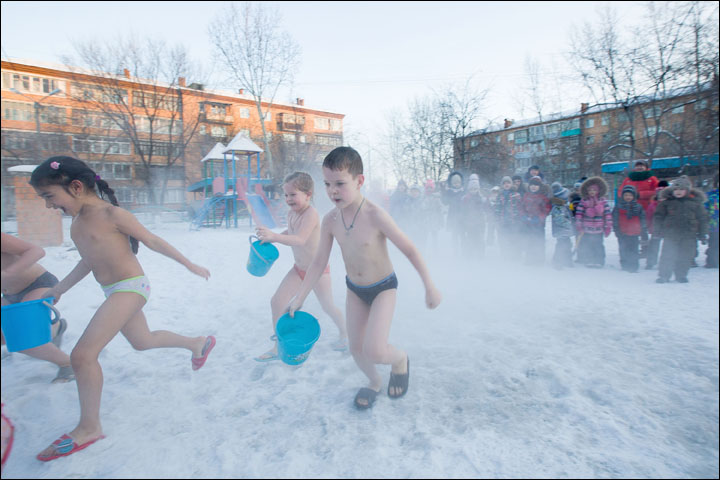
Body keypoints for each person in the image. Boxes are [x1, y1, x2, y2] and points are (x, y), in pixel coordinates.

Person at [29, 156, 213, 462]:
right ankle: (198, 343)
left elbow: (152, 240)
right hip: (114, 291)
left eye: (49, 197)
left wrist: (189, 264)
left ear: (75, 187)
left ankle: (89, 427)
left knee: (82, 356)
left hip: (131, 288)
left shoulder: (112, 214)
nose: (49, 205)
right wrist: (59, 288)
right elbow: (87, 261)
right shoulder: (76, 226)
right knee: (143, 341)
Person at [287, 147, 442, 410]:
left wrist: (430, 286)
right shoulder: (330, 220)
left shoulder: (375, 215)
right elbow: (318, 261)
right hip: (355, 290)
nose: (332, 191)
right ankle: (374, 382)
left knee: (375, 350)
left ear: (359, 181)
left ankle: (400, 359)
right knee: (356, 349)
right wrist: (300, 296)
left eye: (340, 184)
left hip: (383, 288)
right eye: (327, 184)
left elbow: (410, 249)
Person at [254, 172, 347, 361]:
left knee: (328, 306)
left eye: (293, 194)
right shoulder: (291, 214)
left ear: (308, 195)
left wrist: (274, 236)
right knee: (277, 302)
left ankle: (345, 333)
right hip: (299, 269)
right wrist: (272, 239)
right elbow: (291, 231)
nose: (288, 199)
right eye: (286, 195)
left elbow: (300, 238)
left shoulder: (311, 214)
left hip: (318, 271)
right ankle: (279, 345)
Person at [1, 232, 74, 383]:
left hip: (38, 284)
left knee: (23, 340)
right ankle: (55, 328)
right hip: (10, 295)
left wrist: (8, 273)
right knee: (6, 336)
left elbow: (36, 251)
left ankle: (69, 364)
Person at [653, 176, 709, 283]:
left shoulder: (695, 203)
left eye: (681, 189)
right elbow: (658, 217)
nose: (678, 192)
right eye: (676, 189)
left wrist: (703, 233)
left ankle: (681, 274)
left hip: (689, 234)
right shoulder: (666, 203)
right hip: (670, 234)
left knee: (685, 256)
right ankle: (664, 275)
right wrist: (657, 230)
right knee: (668, 255)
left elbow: (703, 219)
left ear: (687, 190)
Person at [575, 176, 612, 267]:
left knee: (598, 245)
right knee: (588, 245)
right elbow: (579, 214)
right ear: (587, 191)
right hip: (587, 228)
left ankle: (599, 260)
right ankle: (589, 259)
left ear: (598, 191)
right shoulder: (584, 202)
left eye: (594, 190)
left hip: (599, 229)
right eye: (590, 190)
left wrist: (608, 226)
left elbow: (607, 214)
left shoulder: (603, 202)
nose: (592, 192)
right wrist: (579, 225)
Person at [612, 185, 648, 273]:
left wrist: (643, 229)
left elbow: (642, 218)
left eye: (630, 195)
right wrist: (616, 230)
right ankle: (625, 265)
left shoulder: (638, 207)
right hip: (622, 232)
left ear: (634, 196)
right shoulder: (618, 206)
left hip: (634, 233)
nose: (628, 197)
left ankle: (634, 265)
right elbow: (615, 218)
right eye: (626, 195)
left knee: (634, 249)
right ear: (623, 196)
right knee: (623, 249)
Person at [519, 176, 551, 265]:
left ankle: (539, 259)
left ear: (539, 187)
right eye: (532, 185)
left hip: (539, 225)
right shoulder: (526, 196)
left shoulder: (543, 197)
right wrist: (523, 216)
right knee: (529, 241)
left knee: (539, 241)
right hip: (528, 223)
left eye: (536, 185)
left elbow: (547, 210)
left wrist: (539, 217)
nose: (534, 187)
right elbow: (521, 207)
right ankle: (529, 259)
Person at [494, 176, 522, 260]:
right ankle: (504, 256)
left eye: (508, 183)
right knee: (503, 239)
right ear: (502, 185)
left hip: (513, 221)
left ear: (511, 184)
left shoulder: (516, 195)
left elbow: (520, 207)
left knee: (514, 239)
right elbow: (497, 209)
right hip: (503, 222)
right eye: (504, 183)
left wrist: (519, 219)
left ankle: (515, 256)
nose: (506, 185)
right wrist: (497, 220)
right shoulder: (500, 195)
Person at [549, 182, 574, 269]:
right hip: (560, 230)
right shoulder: (558, 207)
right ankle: (557, 260)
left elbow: (570, 212)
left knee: (567, 244)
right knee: (561, 245)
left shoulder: (565, 205)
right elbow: (559, 219)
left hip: (566, 230)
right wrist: (569, 224)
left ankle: (567, 260)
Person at [645, 180, 669, 269]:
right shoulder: (653, 205)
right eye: (660, 195)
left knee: (668, 246)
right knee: (654, 245)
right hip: (656, 228)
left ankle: (667, 261)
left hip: (668, 228)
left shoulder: (671, 204)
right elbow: (648, 216)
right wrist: (648, 226)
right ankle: (650, 262)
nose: (662, 197)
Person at [460, 177, 486, 259]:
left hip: (479, 223)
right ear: (469, 189)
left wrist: (483, 221)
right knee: (470, 240)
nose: (473, 190)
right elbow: (463, 211)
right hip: (469, 223)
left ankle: (480, 255)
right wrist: (463, 222)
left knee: (480, 239)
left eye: (475, 189)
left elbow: (484, 211)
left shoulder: (482, 198)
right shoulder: (466, 198)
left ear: (478, 189)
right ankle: (469, 255)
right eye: (471, 189)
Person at [441, 171, 465, 254]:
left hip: (462, 218)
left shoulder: (463, 192)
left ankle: (463, 251)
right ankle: (455, 251)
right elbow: (445, 202)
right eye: (455, 183)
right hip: (453, 217)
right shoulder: (449, 192)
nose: (456, 184)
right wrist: (443, 192)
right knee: (454, 235)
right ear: (452, 183)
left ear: (461, 183)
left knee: (462, 235)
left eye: (458, 182)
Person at [704, 172, 719, 268]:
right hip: (714, 225)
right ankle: (711, 261)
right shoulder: (711, 195)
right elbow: (704, 208)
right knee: (713, 243)